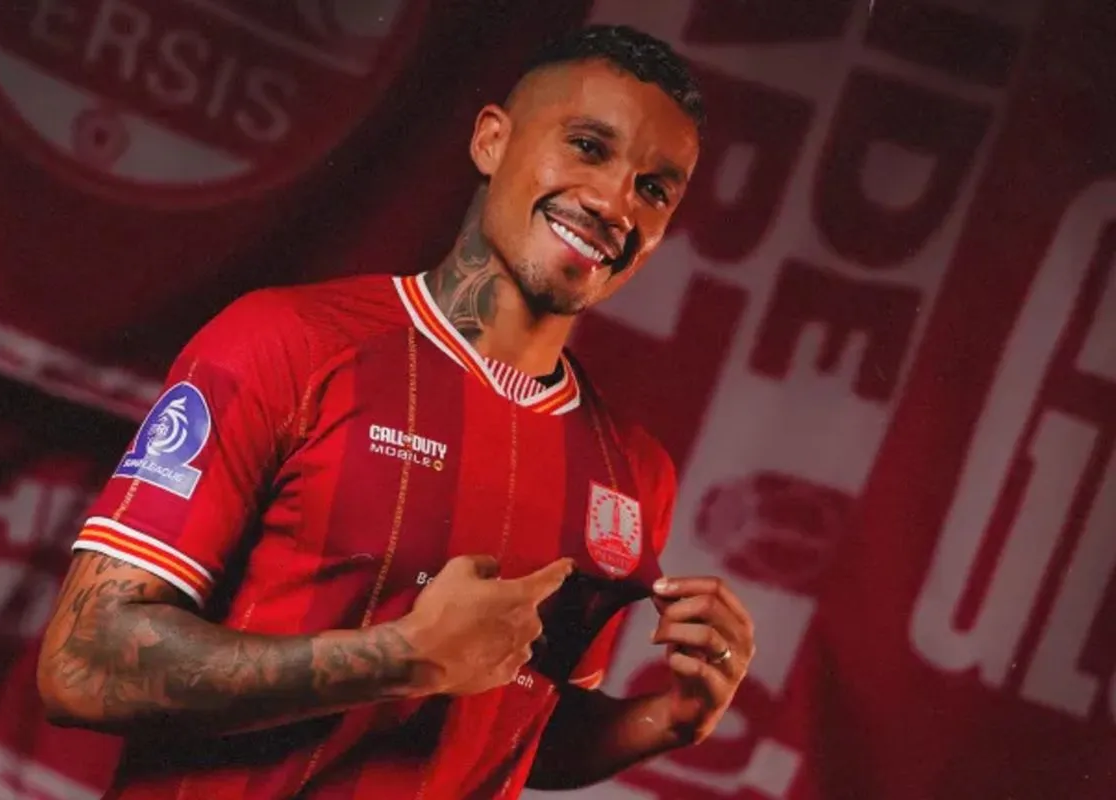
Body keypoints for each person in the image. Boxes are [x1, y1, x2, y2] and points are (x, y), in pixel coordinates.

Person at [37, 24, 755, 800]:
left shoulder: (634, 475)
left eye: (654, 189)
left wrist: (666, 720)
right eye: (587, 147)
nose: (615, 202)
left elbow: (515, 726)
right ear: (491, 141)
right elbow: (82, 659)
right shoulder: (287, 344)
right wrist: (400, 657)